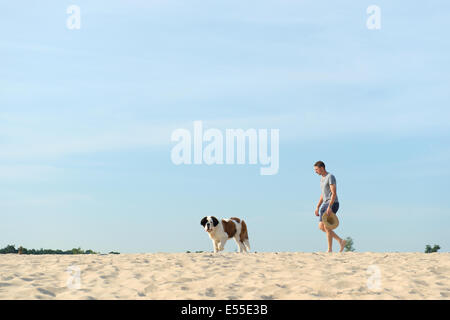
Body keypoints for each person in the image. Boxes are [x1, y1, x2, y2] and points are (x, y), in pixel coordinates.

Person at [314, 161, 346, 252]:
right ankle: (340, 241)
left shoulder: (330, 177)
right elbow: (323, 194)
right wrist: (317, 207)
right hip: (324, 204)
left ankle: (329, 249)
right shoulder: (321, 179)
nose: (315, 171)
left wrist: (330, 206)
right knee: (321, 226)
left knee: (327, 226)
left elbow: (334, 193)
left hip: (332, 203)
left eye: (316, 169)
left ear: (322, 168)